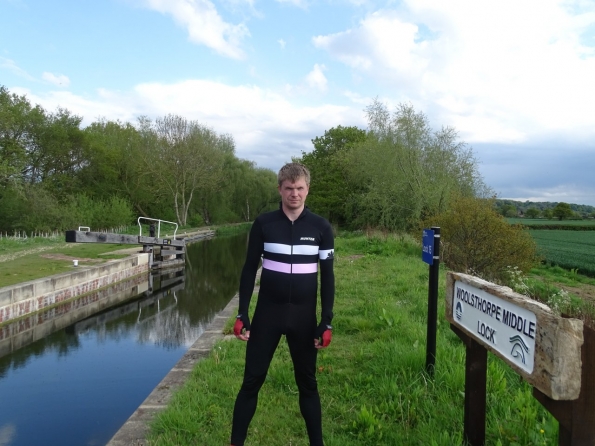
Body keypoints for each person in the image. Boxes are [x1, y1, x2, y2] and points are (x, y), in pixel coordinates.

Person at [230, 162, 335, 446]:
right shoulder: (265, 224)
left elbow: (327, 277)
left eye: (300, 188)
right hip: (268, 315)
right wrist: (242, 313)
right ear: (279, 189)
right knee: (251, 381)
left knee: (308, 384)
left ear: (307, 189)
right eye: (288, 188)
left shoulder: (321, 228)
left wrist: (326, 320)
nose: (294, 194)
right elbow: (249, 268)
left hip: (303, 318)